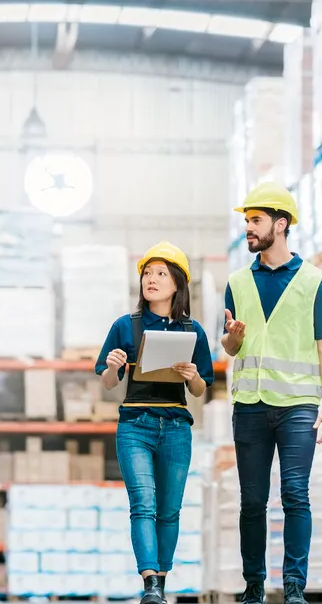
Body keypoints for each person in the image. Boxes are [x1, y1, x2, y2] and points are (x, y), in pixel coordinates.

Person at [221, 182, 322, 604]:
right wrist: (232, 339)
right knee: (252, 501)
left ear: (281, 224)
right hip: (250, 406)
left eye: (255, 221)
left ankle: (294, 589)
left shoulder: (313, 281)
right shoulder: (237, 281)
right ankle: (253, 586)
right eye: (247, 221)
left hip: (298, 406)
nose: (248, 229)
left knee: (295, 494)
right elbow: (230, 346)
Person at [96, 241, 214, 604]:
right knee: (143, 504)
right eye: (148, 272)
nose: (152, 279)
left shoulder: (192, 331)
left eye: (161, 273)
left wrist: (192, 374)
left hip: (177, 428)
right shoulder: (125, 326)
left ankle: (160, 582)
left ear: (177, 283)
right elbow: (107, 381)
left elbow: (199, 388)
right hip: (135, 426)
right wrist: (114, 366)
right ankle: (149, 582)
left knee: (169, 510)